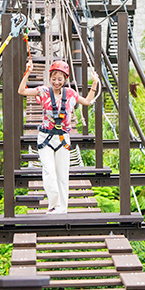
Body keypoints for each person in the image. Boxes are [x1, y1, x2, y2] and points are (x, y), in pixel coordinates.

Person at [18, 54, 99, 214]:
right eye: (54, 78)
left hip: (62, 138)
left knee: (62, 175)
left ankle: (61, 208)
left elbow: (87, 101)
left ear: (65, 79)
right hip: (45, 137)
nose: (56, 82)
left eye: (60, 79)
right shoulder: (43, 91)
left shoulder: (70, 94)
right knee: (49, 171)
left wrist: (94, 84)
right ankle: (53, 203)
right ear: (50, 78)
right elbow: (22, 91)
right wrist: (27, 72)